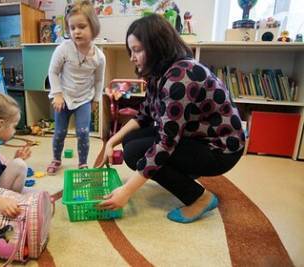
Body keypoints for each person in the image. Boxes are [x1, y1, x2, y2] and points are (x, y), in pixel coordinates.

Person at [97, 14, 245, 223]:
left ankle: (200, 198)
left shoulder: (180, 78)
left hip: (221, 150)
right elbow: (145, 114)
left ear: (158, 47)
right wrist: (112, 140)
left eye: (137, 50)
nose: (132, 57)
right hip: (196, 136)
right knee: (130, 140)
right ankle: (183, 173)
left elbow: (165, 143)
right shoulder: (159, 73)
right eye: (131, 51)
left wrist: (126, 191)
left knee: (136, 152)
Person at [46, 0, 106, 175]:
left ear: (93, 28)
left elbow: (98, 80)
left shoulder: (99, 57)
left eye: (81, 27)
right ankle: (56, 158)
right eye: (72, 28)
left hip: (84, 99)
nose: (76, 32)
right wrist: (57, 94)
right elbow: (53, 72)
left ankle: (82, 163)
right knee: (59, 132)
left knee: (83, 132)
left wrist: (96, 99)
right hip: (63, 97)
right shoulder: (63, 49)